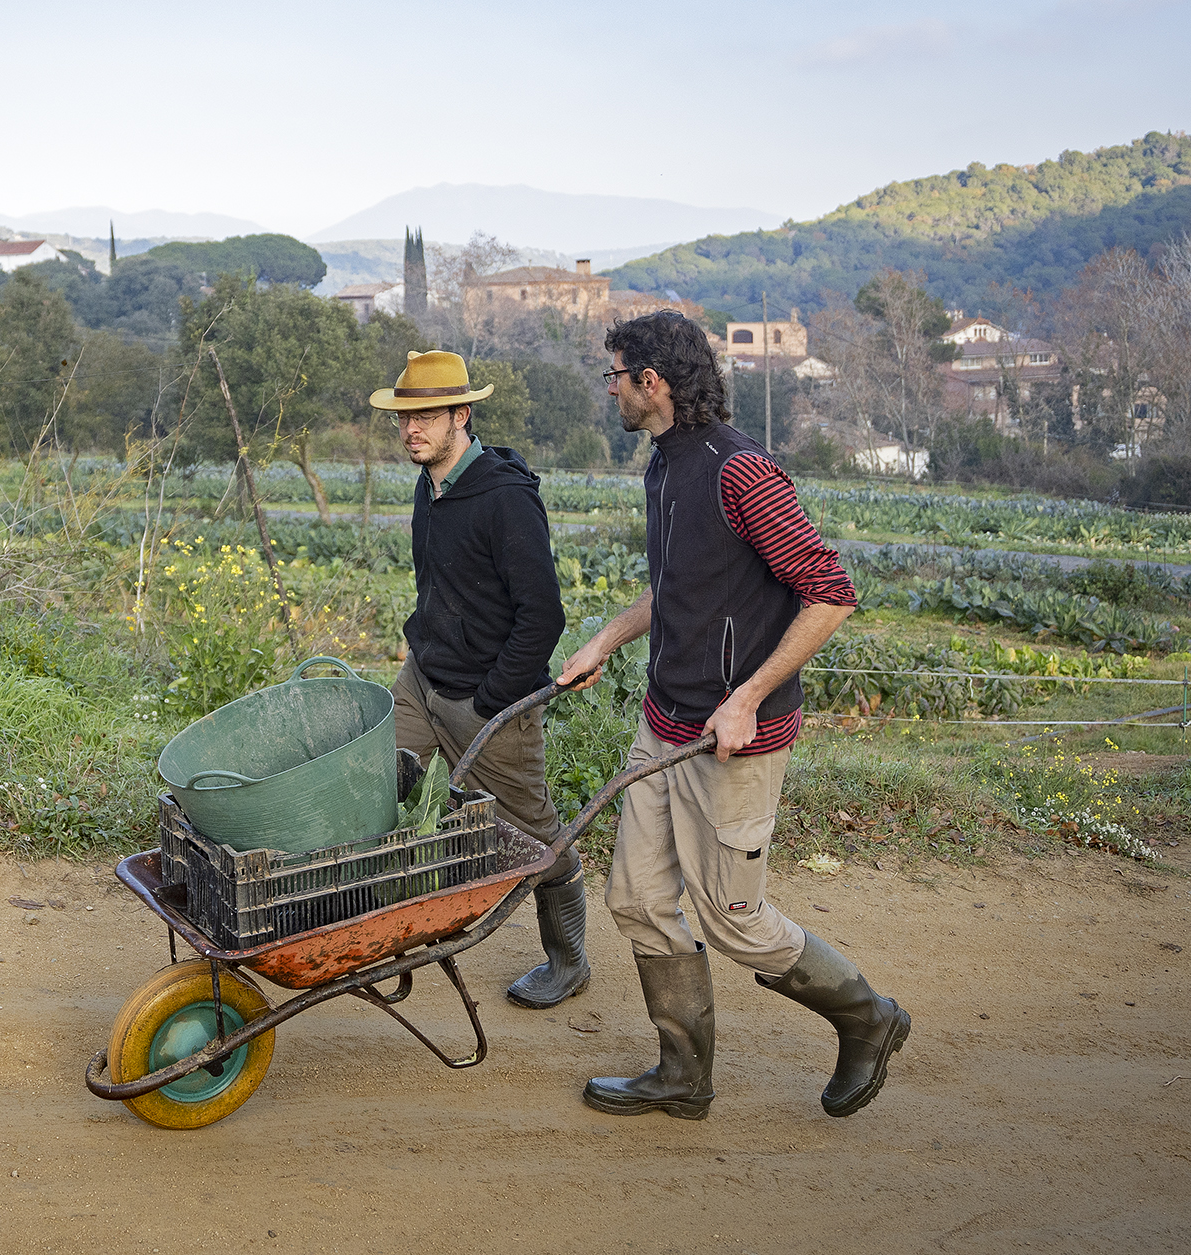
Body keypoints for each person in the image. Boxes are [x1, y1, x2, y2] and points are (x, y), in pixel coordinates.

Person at [559, 312, 909, 1120]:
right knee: (639, 900)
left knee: (736, 922)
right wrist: (604, 641)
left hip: (733, 744)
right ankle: (683, 1074)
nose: (608, 388)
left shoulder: (741, 472)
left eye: (614, 374)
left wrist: (748, 696)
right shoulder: (663, 464)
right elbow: (678, 586)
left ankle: (869, 1017)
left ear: (653, 382)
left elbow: (831, 591)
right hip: (665, 723)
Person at [371, 350, 587, 1009]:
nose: (412, 430)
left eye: (428, 416)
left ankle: (568, 958)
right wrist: (425, 649)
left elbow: (542, 614)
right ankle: (367, 920)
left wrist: (494, 699)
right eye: (404, 418)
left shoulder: (505, 500)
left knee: (532, 835)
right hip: (423, 677)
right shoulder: (429, 485)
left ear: (462, 415)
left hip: (488, 697)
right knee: (381, 775)